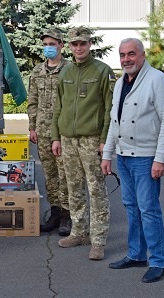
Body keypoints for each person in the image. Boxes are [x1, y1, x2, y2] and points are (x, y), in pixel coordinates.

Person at [101, 38, 164, 283]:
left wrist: (160, 158)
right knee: (132, 209)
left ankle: (158, 261)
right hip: (123, 156)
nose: (126, 59)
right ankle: (136, 254)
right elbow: (115, 122)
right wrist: (107, 155)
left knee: (149, 210)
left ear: (142, 55)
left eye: (131, 54)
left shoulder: (157, 80)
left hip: (146, 158)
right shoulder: (120, 82)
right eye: (122, 55)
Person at [51, 26, 114, 260]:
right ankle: (79, 231)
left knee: (96, 189)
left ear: (89, 45)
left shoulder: (102, 71)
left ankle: (98, 240)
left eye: (83, 44)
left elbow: (109, 109)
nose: (79, 48)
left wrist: (104, 140)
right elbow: (59, 107)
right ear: (69, 46)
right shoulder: (65, 72)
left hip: (91, 140)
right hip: (67, 140)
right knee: (73, 188)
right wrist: (56, 137)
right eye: (75, 44)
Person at [27, 28, 72, 236]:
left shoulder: (70, 70)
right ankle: (54, 212)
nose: (48, 48)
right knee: (50, 175)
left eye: (52, 44)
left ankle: (67, 214)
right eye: (45, 45)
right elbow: (33, 101)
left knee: (66, 174)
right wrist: (32, 126)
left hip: (64, 132)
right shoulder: (37, 72)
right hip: (43, 132)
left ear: (61, 45)